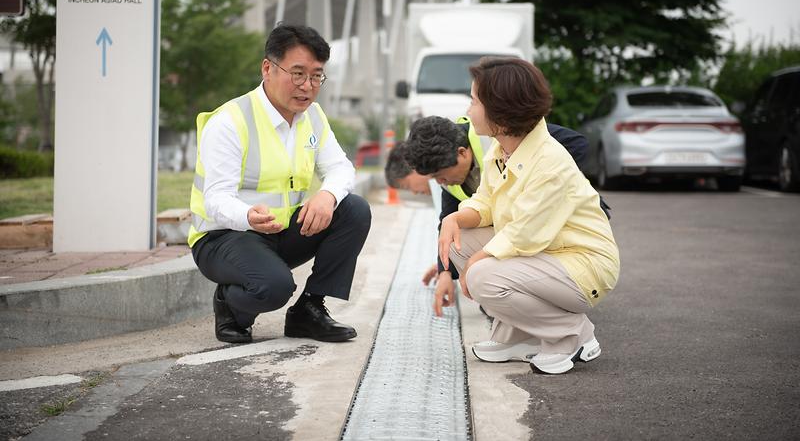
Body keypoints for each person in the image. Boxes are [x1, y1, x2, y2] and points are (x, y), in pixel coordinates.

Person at [188, 24, 372, 344]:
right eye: (298, 73)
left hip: (278, 233)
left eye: (316, 76)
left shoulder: (312, 116)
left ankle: (309, 310)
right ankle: (230, 305)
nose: (307, 86)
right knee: (275, 288)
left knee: (353, 209)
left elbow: (341, 167)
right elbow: (215, 197)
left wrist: (327, 195)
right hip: (224, 237)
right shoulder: (231, 121)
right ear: (268, 68)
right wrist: (248, 216)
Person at [438, 57, 620, 374]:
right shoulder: (501, 149)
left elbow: (525, 234)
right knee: (459, 242)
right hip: (547, 254)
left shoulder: (550, 161)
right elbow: (485, 203)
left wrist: (475, 264)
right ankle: (517, 336)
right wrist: (453, 219)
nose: (468, 110)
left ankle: (573, 335)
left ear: (502, 112)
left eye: (474, 101)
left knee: (483, 276)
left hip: (583, 264)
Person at [393, 115, 606, 313]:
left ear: (462, 153)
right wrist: (445, 273)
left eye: (440, 176)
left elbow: (578, 144)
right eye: (434, 178)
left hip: (562, 223)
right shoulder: (450, 176)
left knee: (482, 274)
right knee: (461, 240)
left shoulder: (495, 136)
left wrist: (536, 192)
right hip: (519, 231)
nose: (440, 182)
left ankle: (566, 326)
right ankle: (513, 310)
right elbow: (447, 221)